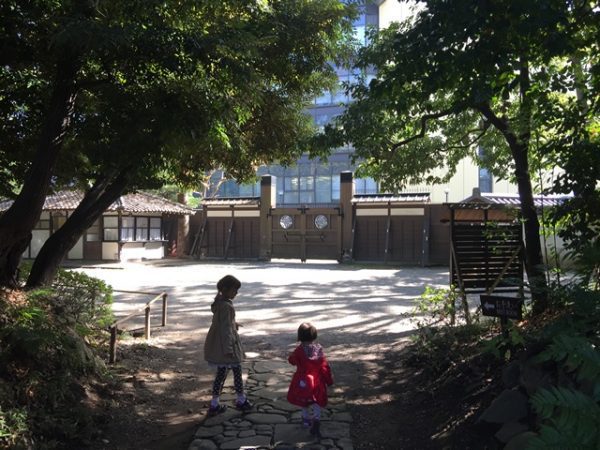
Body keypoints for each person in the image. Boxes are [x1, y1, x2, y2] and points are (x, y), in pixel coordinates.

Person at [204, 275, 252, 416]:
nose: (236, 293)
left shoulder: (220, 303)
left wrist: (233, 323)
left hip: (219, 344)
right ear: (226, 289)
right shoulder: (225, 306)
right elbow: (225, 330)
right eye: (234, 290)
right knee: (237, 372)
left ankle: (214, 403)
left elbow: (223, 322)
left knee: (221, 374)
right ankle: (241, 399)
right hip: (226, 346)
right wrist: (229, 349)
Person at [287, 322, 333, 437]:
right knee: (317, 402)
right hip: (317, 381)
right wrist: (329, 380)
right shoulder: (319, 349)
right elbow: (324, 366)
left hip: (303, 381)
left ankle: (306, 420)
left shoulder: (299, 350)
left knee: (304, 402)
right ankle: (316, 420)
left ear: (300, 336)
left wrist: (292, 358)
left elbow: (292, 360)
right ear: (314, 335)